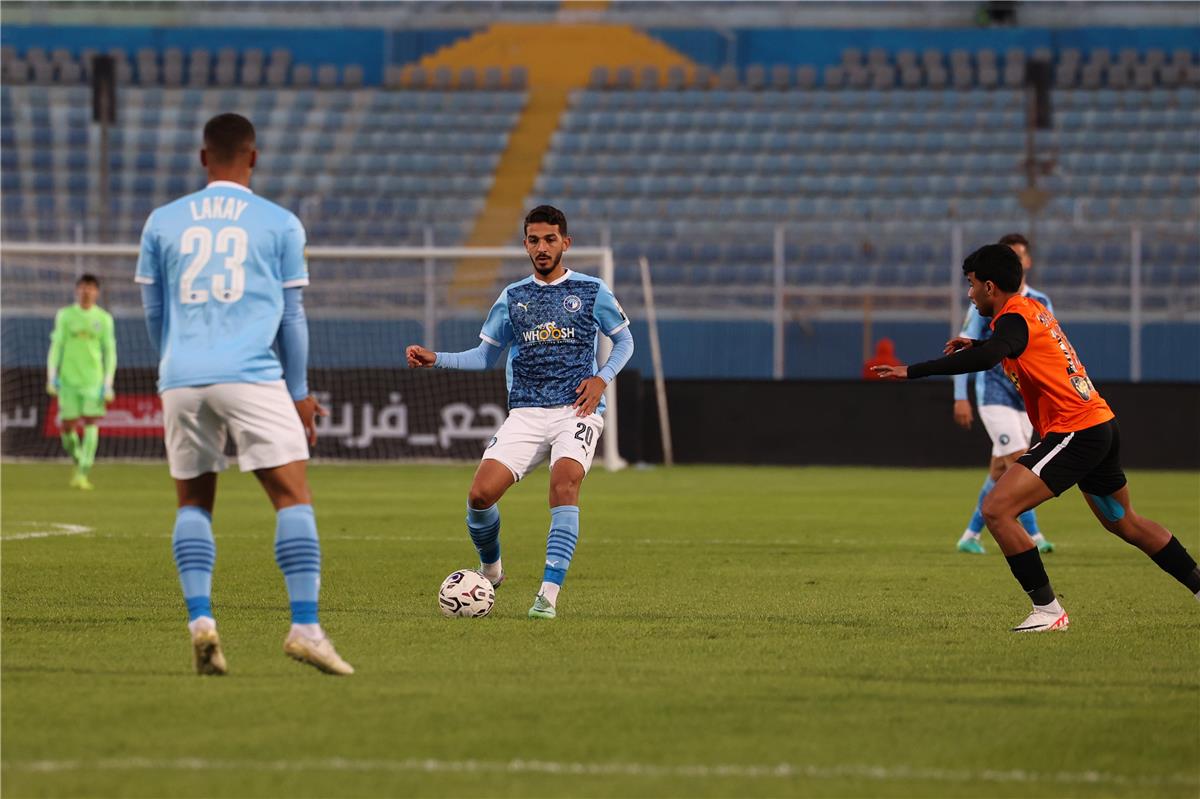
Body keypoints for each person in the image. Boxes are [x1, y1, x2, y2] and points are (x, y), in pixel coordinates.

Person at [874, 244, 1200, 632]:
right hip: (1099, 424)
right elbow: (1009, 348)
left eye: (972, 284)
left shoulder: (1013, 318)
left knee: (997, 510)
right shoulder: (1031, 310)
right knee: (1124, 522)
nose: (970, 293)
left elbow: (989, 358)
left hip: (1075, 431)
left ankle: (1048, 611)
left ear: (990, 287)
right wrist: (978, 344)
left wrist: (913, 370)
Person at [136, 112, 352, 675]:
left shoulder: (162, 221)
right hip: (251, 373)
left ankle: (201, 622)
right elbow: (292, 318)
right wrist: (299, 392)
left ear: (202, 157)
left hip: (181, 376)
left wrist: (174, 363)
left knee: (192, 503)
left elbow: (154, 312)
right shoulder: (280, 223)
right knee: (292, 497)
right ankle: (305, 628)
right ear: (253, 157)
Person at [406, 205, 635, 620]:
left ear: (565, 243)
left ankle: (547, 596)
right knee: (479, 497)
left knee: (564, 485)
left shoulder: (591, 290)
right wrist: (436, 358)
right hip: (526, 413)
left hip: (576, 410)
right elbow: (483, 356)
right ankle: (491, 570)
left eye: (550, 239)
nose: (542, 247)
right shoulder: (513, 298)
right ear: (525, 244)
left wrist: (601, 379)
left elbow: (624, 342)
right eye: (534, 240)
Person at [952, 233, 1054, 554]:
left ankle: (970, 535)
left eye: (1019, 255)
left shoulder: (1040, 301)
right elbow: (964, 346)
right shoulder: (986, 299)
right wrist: (960, 395)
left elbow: (1049, 349)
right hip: (994, 394)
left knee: (999, 470)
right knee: (1019, 464)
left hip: (1025, 398)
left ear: (1027, 261)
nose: (1015, 260)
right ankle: (1034, 535)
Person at [46, 274, 116, 490]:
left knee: (91, 422)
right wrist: (51, 376)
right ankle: (78, 459)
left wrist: (108, 384)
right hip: (68, 380)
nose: (87, 291)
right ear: (77, 290)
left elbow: (110, 352)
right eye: (83, 287)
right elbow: (56, 347)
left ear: (97, 292)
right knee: (67, 427)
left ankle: (83, 471)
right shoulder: (65, 315)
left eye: (91, 287)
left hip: (93, 381)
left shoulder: (104, 319)